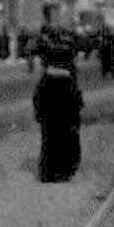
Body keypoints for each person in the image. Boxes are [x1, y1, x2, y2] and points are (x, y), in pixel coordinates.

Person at [33, 42, 84, 183]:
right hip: (66, 120)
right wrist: (76, 117)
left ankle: (48, 173)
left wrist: (39, 114)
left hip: (48, 120)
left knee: (49, 144)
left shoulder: (45, 80)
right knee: (66, 143)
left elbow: (37, 99)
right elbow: (76, 101)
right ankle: (64, 172)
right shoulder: (69, 80)